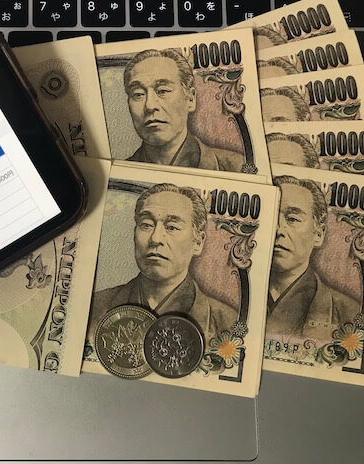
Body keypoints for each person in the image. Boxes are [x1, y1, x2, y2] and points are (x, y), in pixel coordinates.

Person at [87, 183, 237, 346]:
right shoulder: (95, 307)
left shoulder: (227, 322)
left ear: (198, 242)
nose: (155, 238)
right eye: (146, 225)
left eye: (172, 227)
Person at [267, 176, 360, 341]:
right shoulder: (227, 313)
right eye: (270, 215)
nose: (278, 229)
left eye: (292, 219)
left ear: (318, 235)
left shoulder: (350, 314)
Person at [123, 49, 245, 171]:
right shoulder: (122, 171)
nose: (150, 105)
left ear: (190, 99)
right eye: (138, 94)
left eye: (162, 91)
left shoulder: (238, 166)